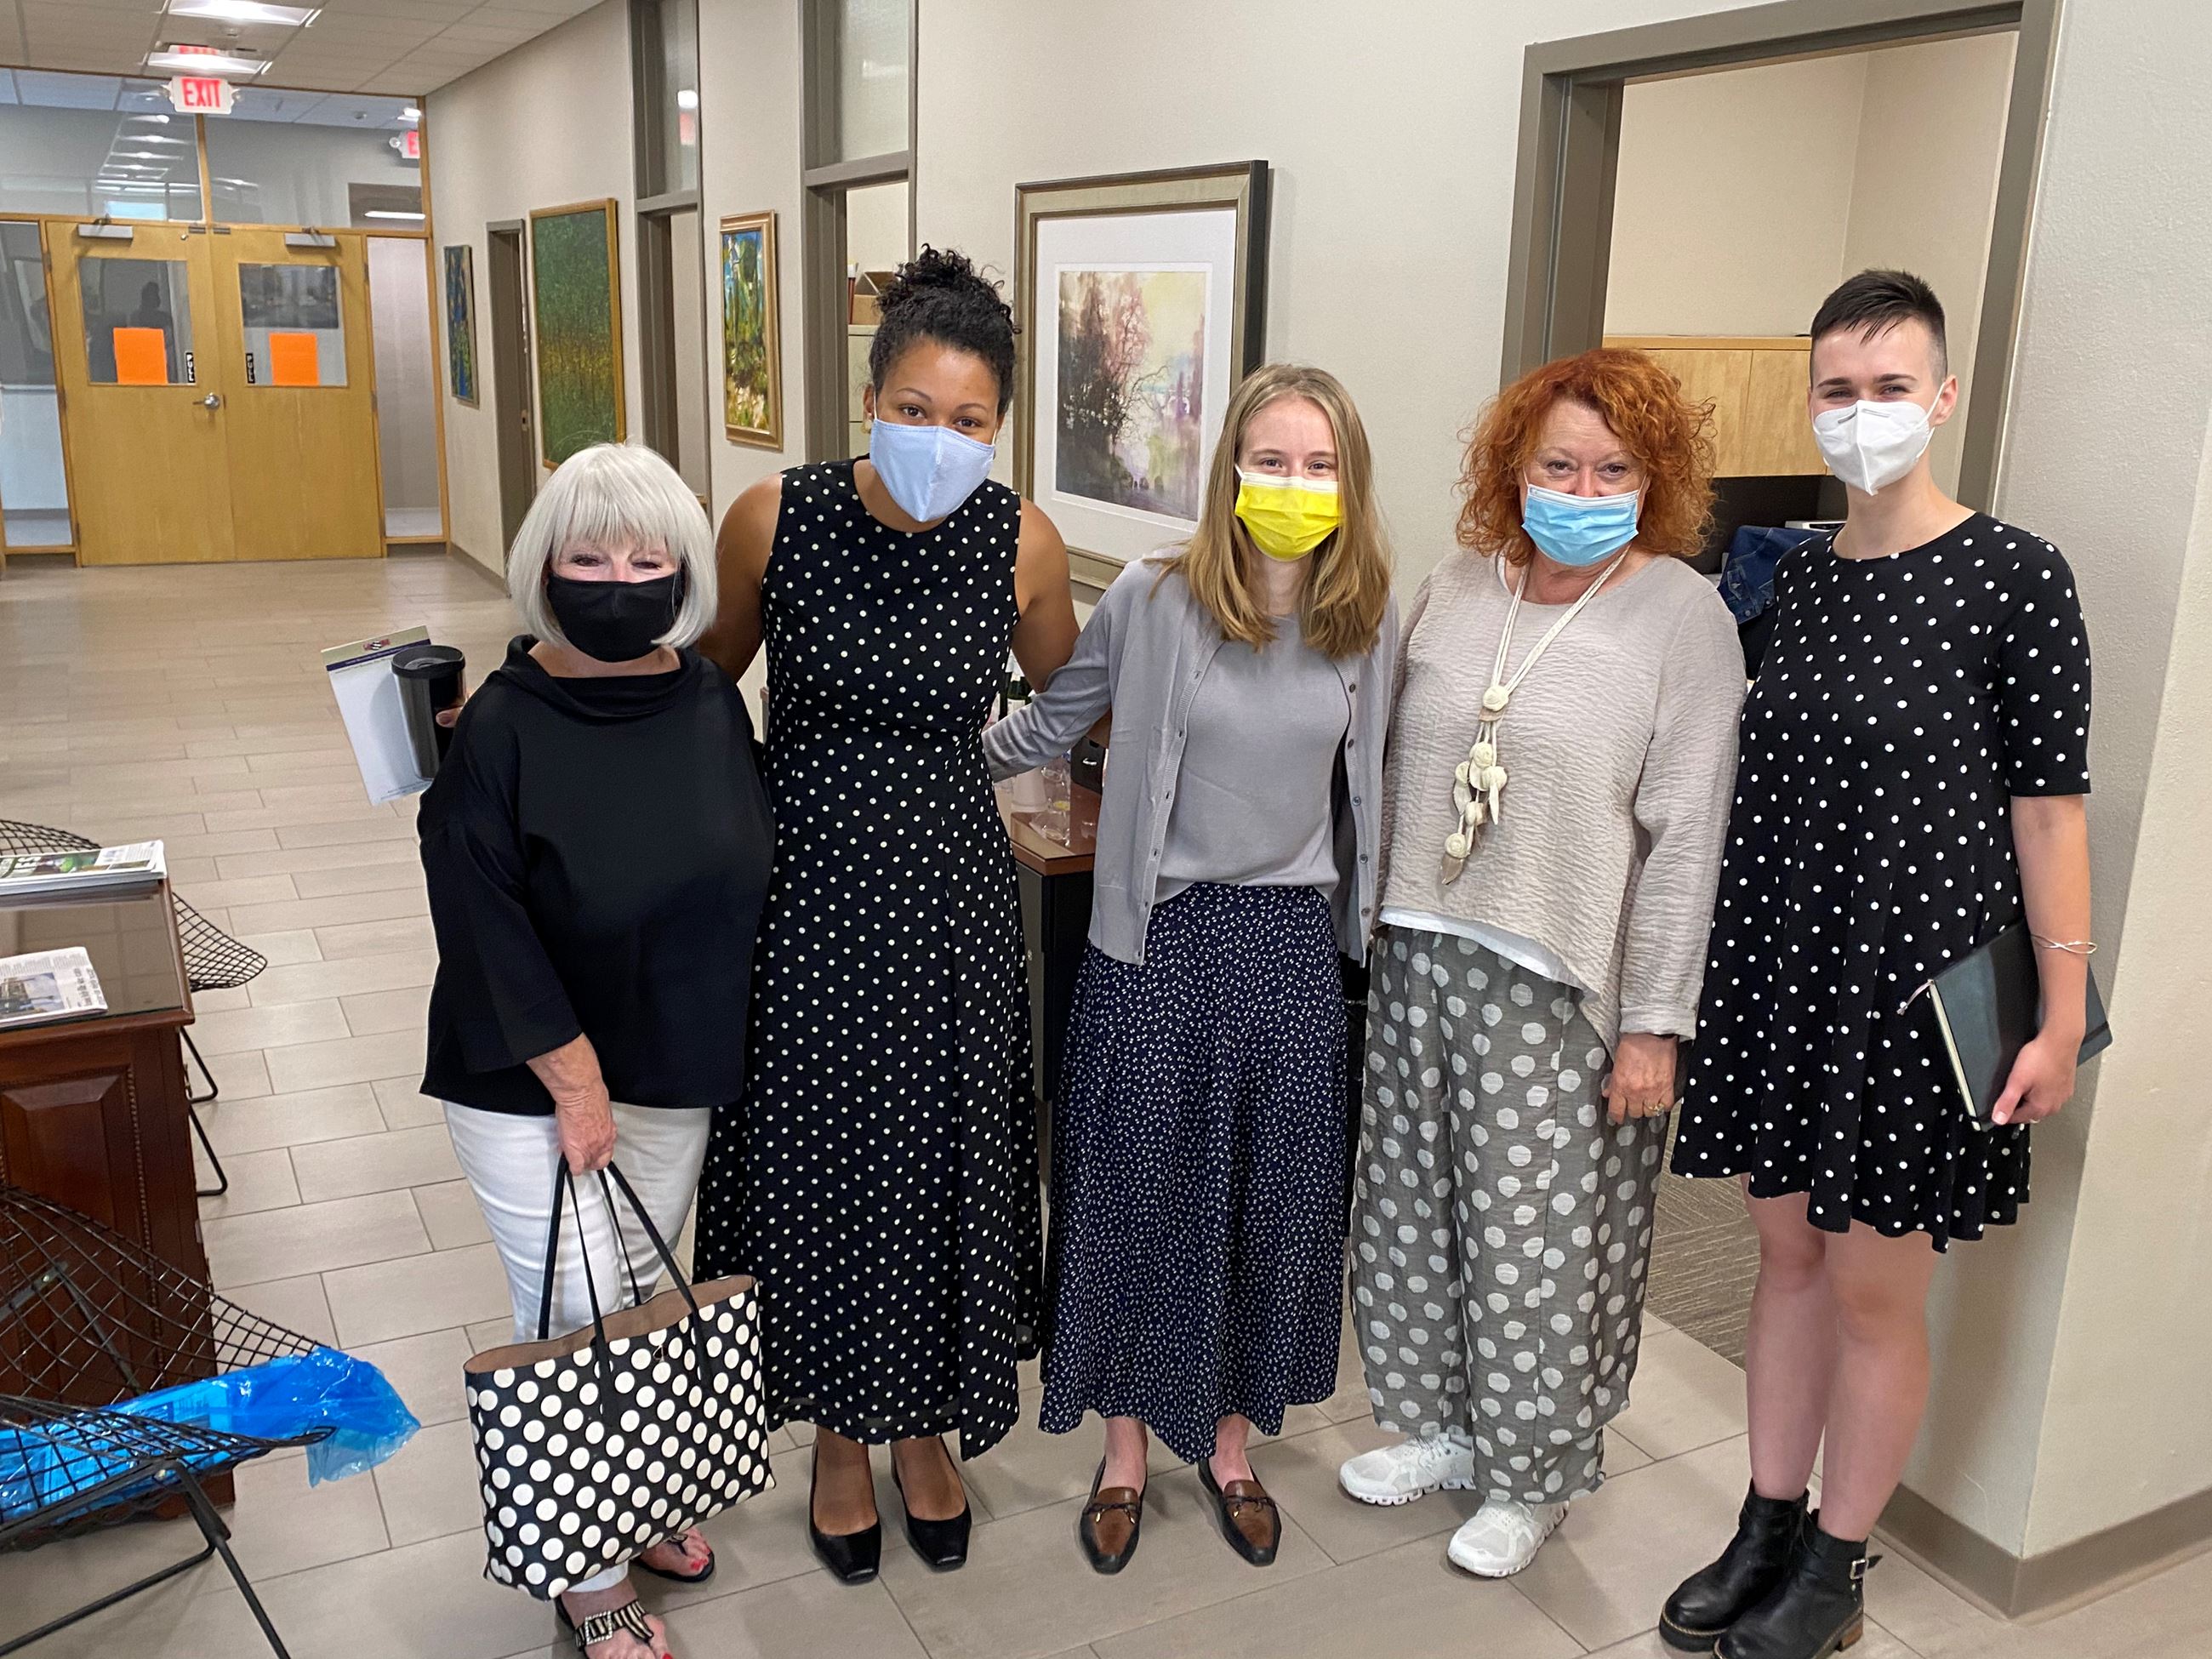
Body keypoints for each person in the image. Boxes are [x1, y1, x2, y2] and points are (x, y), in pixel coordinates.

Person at [1661, 271, 2095, 1659]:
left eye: (1890, 386)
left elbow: (2048, 809)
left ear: (1944, 396)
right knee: (1783, 1256)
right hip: (1788, 969)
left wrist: (2064, 1008)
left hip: (1914, 999)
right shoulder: (1786, 577)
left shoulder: (2017, 578)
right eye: (1837, 390)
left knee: (1871, 1285)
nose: (1863, 414)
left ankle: (1840, 1563)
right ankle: (1766, 1521)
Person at [690, 247, 1079, 1584]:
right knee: (815, 1165)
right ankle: (838, 1441)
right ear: (869, 394)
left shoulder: (1022, 539)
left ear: (1000, 429)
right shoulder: (771, 517)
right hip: (798, 895)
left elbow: (1073, 701)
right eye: (915, 407)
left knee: (937, 1167)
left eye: (970, 420)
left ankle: (924, 1426)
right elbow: (699, 695)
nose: (939, 437)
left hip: (955, 906)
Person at [1336, 349, 1746, 1578]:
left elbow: (1687, 842)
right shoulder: (1459, 588)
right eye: (1559, 461)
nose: (1583, 483)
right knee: (1412, 1221)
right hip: (1420, 955)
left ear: (1652, 478)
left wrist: (1655, 1022)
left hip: (1563, 987)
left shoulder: (1684, 617)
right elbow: (1391, 768)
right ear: (1514, 469)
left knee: (1539, 1251)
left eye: (1613, 466)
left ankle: (1535, 1472)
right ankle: (1448, 1430)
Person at [986, 363, 1397, 1574]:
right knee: (1130, 1197)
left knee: (1264, 1205)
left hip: (1285, 954)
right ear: (1229, 469)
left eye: (1319, 464)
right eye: (1270, 459)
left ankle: (1226, 1442)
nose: (1293, 482)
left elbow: (1383, 794)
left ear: (1348, 484)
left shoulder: (1362, 620)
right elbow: (1051, 723)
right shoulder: (1158, 599)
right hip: (1157, 943)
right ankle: (1123, 1451)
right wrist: (915, 763)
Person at [418, 442, 774, 1659]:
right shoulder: (505, 724)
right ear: (544, 568)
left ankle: (626, 1490)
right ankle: (585, 1573)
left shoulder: (706, 696)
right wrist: (573, 1079)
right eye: (588, 555)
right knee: (572, 1299)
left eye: (645, 555)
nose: (618, 577)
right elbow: (478, 914)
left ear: (678, 570)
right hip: (529, 1075)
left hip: (674, 1055)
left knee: (635, 1285)